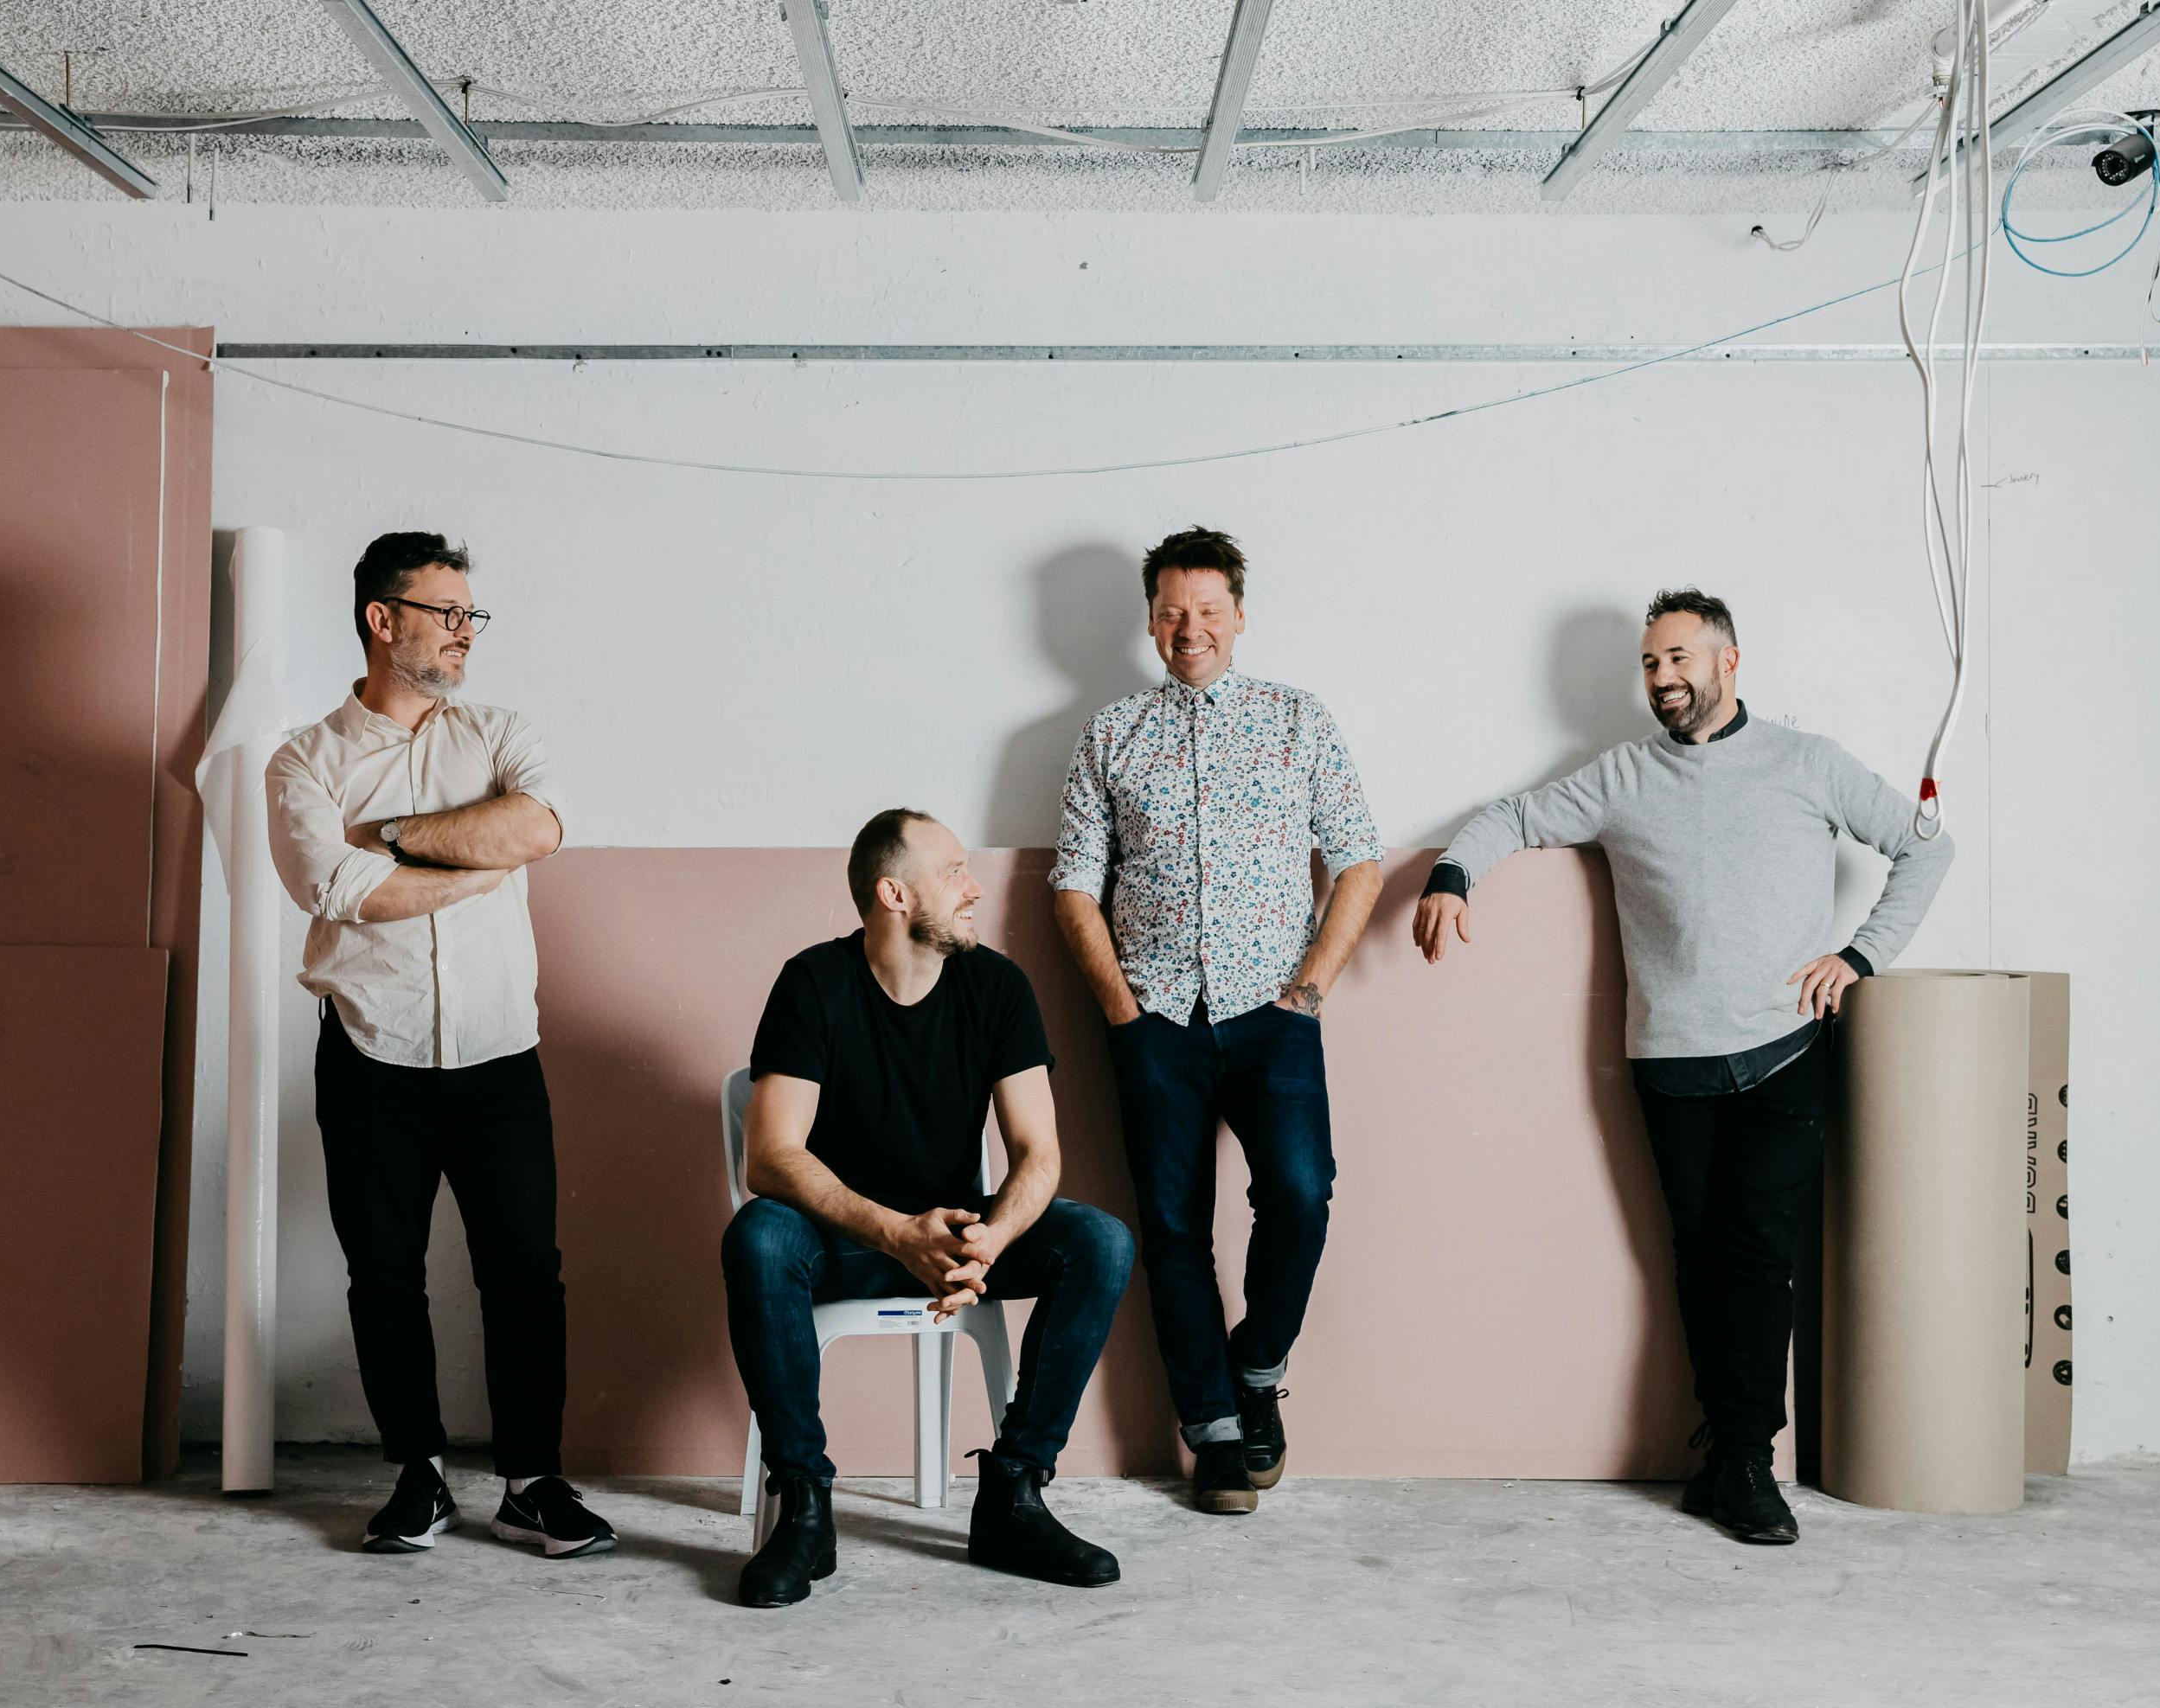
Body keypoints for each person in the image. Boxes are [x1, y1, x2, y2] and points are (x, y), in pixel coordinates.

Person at [1413, 587, 1954, 1546]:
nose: (1663, 678)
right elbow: (1514, 815)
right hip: (1671, 1064)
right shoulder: (1623, 776)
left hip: (1786, 1050)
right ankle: (1727, 1450)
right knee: (1698, 1262)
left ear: (1728, 660)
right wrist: (1454, 873)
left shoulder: (1807, 762)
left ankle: (1750, 1459)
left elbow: (1927, 847)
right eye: (1651, 664)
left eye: (1678, 659)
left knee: (1756, 1258)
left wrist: (1860, 955)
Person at [265, 530, 612, 1559]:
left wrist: (395, 836)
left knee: (524, 1272)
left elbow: (538, 830)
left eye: (471, 615)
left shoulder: (500, 731)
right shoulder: (303, 759)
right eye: (445, 613)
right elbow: (336, 891)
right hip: (370, 1054)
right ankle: (417, 1474)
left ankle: (531, 1480)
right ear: (384, 620)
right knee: (384, 1274)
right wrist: (476, 854)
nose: (466, 632)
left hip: (502, 1053)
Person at [1050, 527, 1385, 1514]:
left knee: (1300, 1193)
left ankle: (1258, 1368)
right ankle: (1215, 1432)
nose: (1187, 627)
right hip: (1155, 1013)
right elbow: (1073, 883)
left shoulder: (1297, 720)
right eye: (1169, 610)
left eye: (1206, 609)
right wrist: (1120, 1004)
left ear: (1239, 615)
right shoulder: (1110, 733)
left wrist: (1312, 985)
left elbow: (1359, 858)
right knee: (1170, 1228)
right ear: (1148, 620)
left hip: (1271, 1009)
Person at [723, 809, 1135, 1607]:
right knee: (759, 1237)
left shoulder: (997, 985)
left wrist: (988, 1241)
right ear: (894, 893)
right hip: (842, 1236)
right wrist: (894, 1231)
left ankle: (1012, 1495)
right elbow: (771, 1156)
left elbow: (1039, 1154)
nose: (974, 886)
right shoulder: (814, 983)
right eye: (953, 872)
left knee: (1101, 1241)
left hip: (955, 1236)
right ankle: (805, 1508)